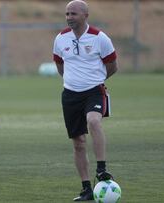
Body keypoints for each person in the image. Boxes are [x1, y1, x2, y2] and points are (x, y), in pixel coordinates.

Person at [52, 0, 118, 201]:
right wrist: (73, 81)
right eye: (67, 14)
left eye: (73, 14)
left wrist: (94, 80)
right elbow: (59, 65)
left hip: (94, 91)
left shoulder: (100, 38)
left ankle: (101, 169)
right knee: (78, 143)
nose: (69, 17)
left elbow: (112, 66)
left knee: (94, 121)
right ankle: (87, 189)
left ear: (85, 15)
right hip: (70, 95)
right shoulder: (61, 38)